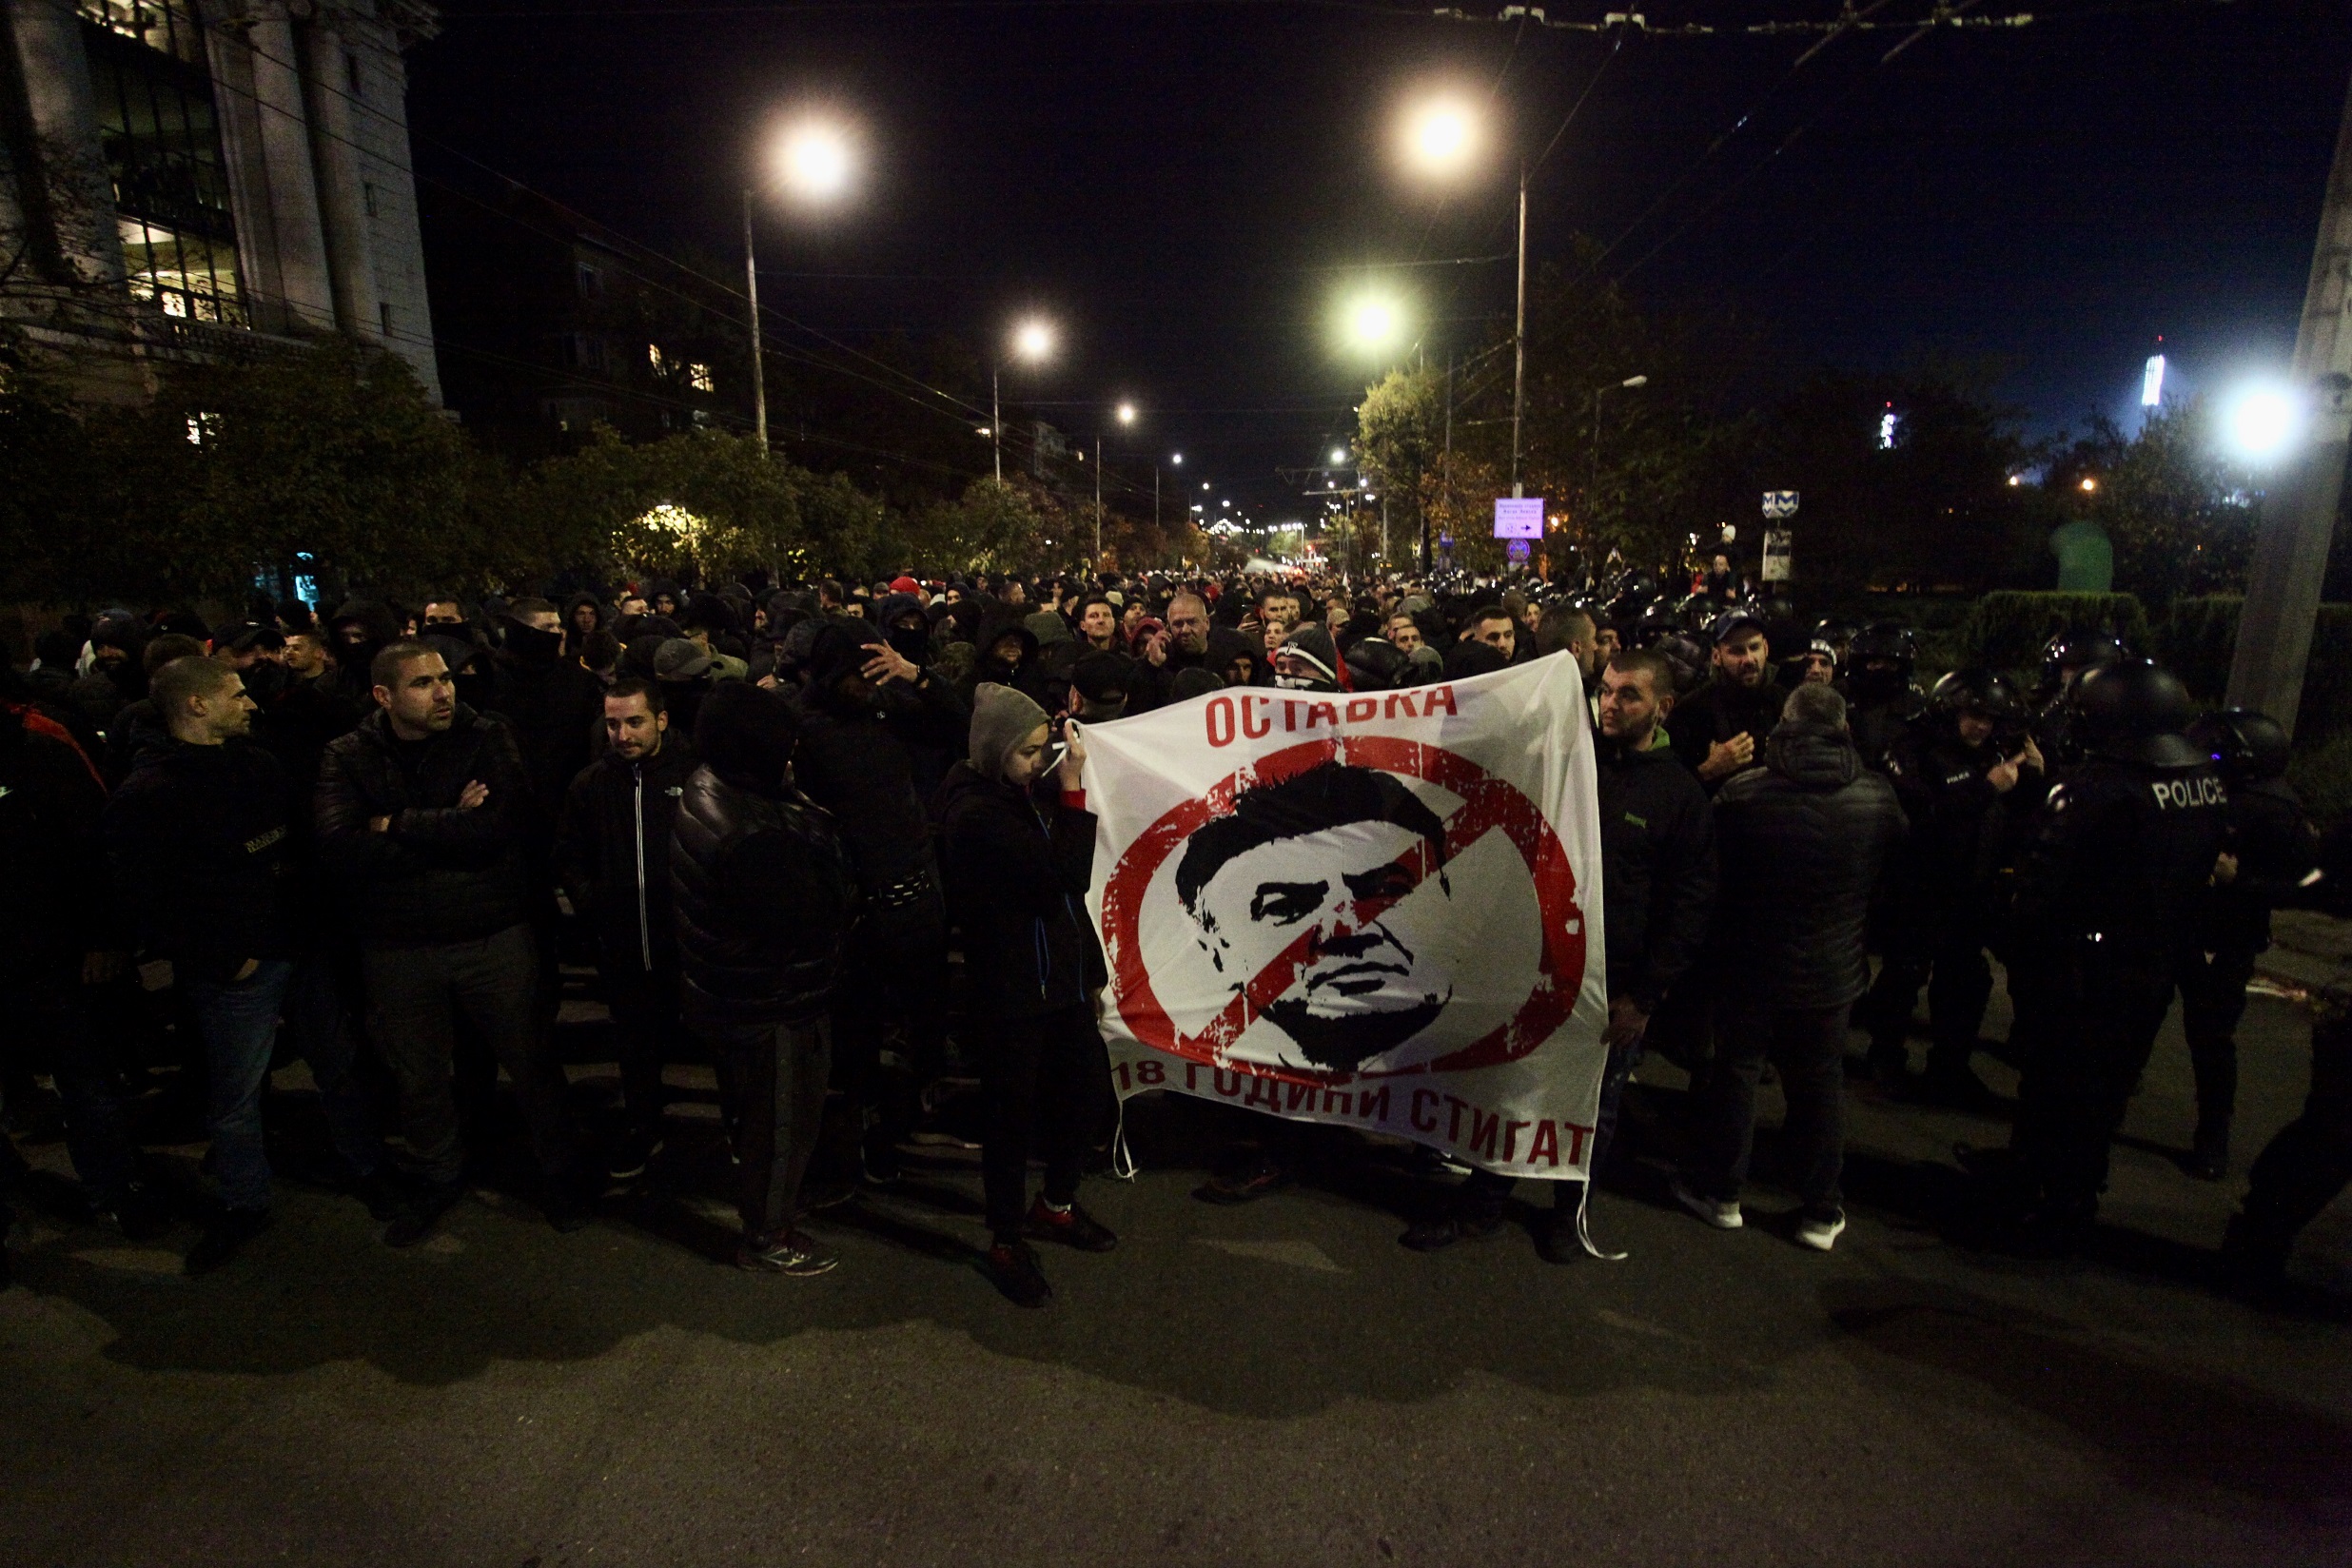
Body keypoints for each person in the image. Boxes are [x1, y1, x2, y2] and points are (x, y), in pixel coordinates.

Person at [1403, 647, 1717, 1259]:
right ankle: (1484, 1206)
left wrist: (1644, 996)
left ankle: (1569, 1217)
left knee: (1592, 1109)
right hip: (1536, 966)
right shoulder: (1571, 765)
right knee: (1512, 1088)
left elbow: (1688, 908)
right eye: (1606, 690)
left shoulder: (1679, 797)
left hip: (1612, 986)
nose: (1612, 705)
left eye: (1630, 695)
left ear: (1664, 706)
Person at [104, 657, 393, 1273]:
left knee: (338, 1066)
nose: (251, 703)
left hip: (299, 947)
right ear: (197, 705)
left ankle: (365, 1168)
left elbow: (296, 846)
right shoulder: (151, 793)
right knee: (236, 1094)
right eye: (236, 694)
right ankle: (244, 1200)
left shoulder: (257, 764)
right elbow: (143, 894)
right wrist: (220, 957)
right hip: (239, 969)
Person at [315, 642, 587, 1245]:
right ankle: (439, 1172)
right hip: (398, 945)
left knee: (531, 1060)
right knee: (418, 1075)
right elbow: (339, 847)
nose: (444, 692)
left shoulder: (486, 735)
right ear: (383, 696)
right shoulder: (349, 754)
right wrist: (448, 821)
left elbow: (496, 829)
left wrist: (398, 822)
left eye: (445, 679)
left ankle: (561, 1173)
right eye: (423, 684)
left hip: (490, 933)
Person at [1970, 660, 2226, 1257]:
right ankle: (2066, 1188)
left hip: (2082, 964)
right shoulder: (2201, 780)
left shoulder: (2094, 788)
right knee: (2106, 1089)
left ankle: (2051, 1200)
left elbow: (2044, 882)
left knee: (2059, 1081)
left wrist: (2014, 933)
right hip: (2153, 963)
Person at [1673, 683, 1905, 1251]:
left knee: (1738, 1072)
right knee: (1821, 1082)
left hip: (1749, 964)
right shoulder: (1877, 798)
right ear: (1844, 728)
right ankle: (1820, 1210)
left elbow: (1711, 878)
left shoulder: (1744, 796)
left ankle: (1722, 1192)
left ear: (1784, 726)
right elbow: (1894, 880)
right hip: (1834, 970)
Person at [932, 684, 1117, 1307]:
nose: (1039, 763)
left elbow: (1065, 904)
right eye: (1029, 753)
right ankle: (1006, 1236)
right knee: (1010, 1120)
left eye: (1044, 750)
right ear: (995, 752)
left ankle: (1055, 1205)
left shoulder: (1014, 795)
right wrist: (1072, 791)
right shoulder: (976, 815)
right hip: (1012, 993)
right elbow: (1064, 878)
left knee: (1088, 1087)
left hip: (1057, 982)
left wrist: (1086, 969)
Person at [671, 682, 857, 1276]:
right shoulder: (752, 835)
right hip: (772, 999)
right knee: (780, 1122)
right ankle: (768, 1235)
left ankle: (768, 1203)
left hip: (735, 991)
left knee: (755, 1112)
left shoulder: (711, 784)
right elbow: (811, 917)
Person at [791, 621, 967, 1186]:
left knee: (923, 1011)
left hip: (917, 889)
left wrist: (918, 677)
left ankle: (915, 1105)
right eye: (856, 673)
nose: (867, 682)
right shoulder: (805, 728)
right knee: (860, 1027)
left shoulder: (888, 707)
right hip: (857, 905)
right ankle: (868, 1132)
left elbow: (958, 729)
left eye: (874, 667)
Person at [1861, 668, 2042, 1104]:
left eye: (1990, 719)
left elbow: (2019, 821)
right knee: (1903, 975)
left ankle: (1949, 1066)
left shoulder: (1993, 756)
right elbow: (1920, 814)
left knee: (1966, 981)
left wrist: (2036, 777)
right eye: (1973, 714)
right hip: (1919, 886)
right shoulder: (1914, 748)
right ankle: (1883, 1059)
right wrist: (1985, 789)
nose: (1981, 726)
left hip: (1971, 890)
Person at [556, 677, 700, 1184]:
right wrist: (594, 906)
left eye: (634, 721)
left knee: (714, 1041)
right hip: (623, 946)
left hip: (685, 943)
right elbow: (571, 854)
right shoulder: (591, 785)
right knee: (635, 1045)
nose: (622, 734)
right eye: (613, 724)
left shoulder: (695, 775)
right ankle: (643, 1125)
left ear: (661, 719)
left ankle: (735, 1126)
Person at [2175, 708, 2319, 1181]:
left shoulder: (2276, 812)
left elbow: (2306, 887)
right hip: (2174, 923)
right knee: (2129, 1018)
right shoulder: (2196, 789)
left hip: (2225, 937)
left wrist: (2239, 883)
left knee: (2212, 1038)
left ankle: (2213, 1138)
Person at [1668, 610, 1780, 791]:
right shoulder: (1691, 711)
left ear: (1766, 648)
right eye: (1736, 651)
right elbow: (1669, 789)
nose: (1749, 659)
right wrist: (1710, 769)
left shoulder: (1785, 703)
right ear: (1717, 657)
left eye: (1754, 647)